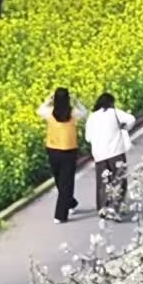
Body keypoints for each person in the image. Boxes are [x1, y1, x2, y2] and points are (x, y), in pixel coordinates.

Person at [37, 87, 86, 223]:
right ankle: (69, 203)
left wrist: (48, 100)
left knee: (61, 181)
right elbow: (84, 112)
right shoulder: (74, 113)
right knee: (65, 182)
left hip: (53, 150)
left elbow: (39, 110)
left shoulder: (49, 112)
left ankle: (61, 214)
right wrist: (76, 101)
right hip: (69, 151)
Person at [84, 92, 136, 220]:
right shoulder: (114, 112)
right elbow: (131, 119)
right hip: (116, 153)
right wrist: (124, 127)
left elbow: (88, 138)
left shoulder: (92, 117)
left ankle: (103, 207)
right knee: (119, 179)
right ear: (111, 102)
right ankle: (115, 206)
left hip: (99, 155)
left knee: (103, 181)